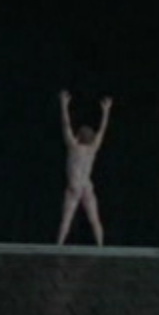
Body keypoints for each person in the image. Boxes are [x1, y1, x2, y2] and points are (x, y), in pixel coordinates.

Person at [56, 91, 112, 246]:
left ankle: (58, 247)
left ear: (78, 137)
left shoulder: (74, 147)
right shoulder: (92, 149)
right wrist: (106, 111)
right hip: (86, 185)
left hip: (75, 186)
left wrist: (63, 105)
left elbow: (66, 125)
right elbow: (102, 131)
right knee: (95, 220)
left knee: (66, 221)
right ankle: (100, 247)